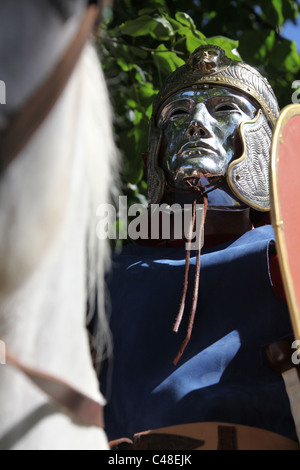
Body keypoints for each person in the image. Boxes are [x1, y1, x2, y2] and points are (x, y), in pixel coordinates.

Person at [101, 45, 299, 450]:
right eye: (178, 114)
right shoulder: (104, 272)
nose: (196, 125)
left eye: (224, 108)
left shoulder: (286, 253)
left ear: (262, 139)